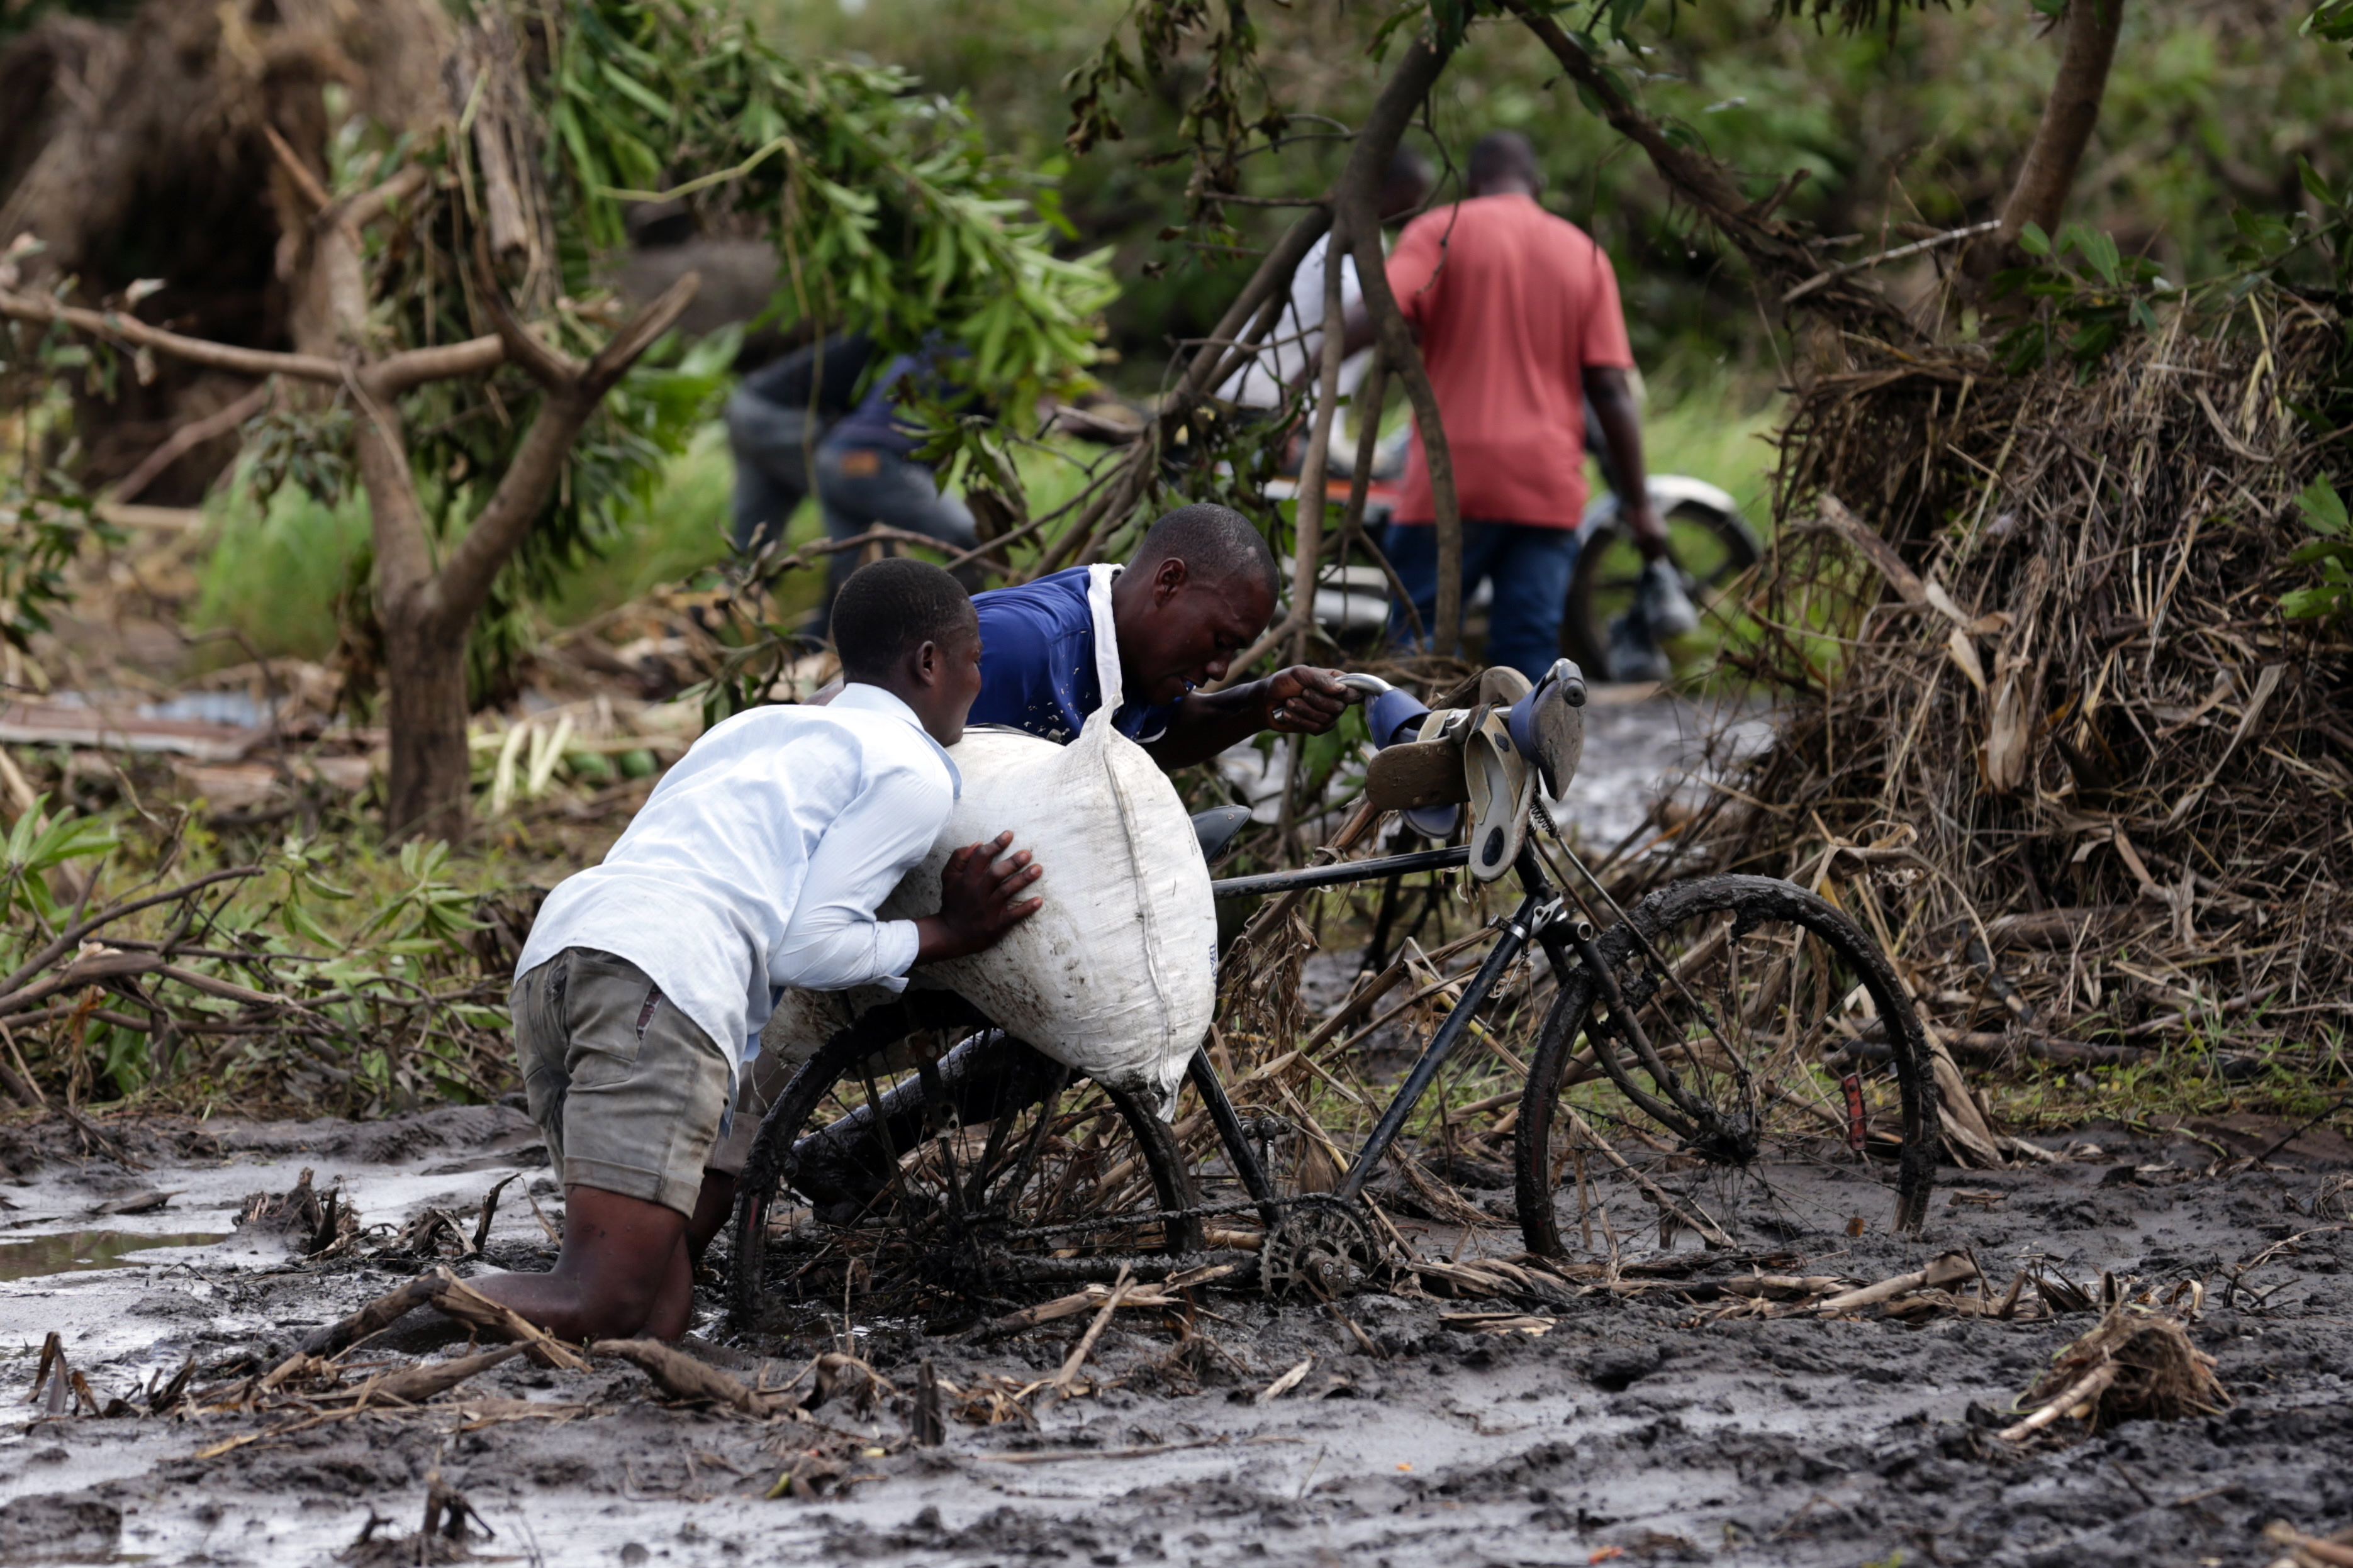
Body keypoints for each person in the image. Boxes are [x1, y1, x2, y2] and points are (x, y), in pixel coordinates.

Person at [478, 559, 1044, 1342]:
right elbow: (805, 948)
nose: (980, 681)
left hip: (567, 949)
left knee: (656, 1316)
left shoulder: (754, 727)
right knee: (599, 1299)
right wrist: (948, 932)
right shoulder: (914, 767)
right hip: (660, 978)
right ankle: (379, 1326)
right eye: (975, 659)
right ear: (928, 663)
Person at [1341, 130, 1694, 682]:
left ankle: (1412, 763)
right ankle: (1533, 769)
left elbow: (1379, 312)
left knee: (1419, 649)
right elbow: (1609, 389)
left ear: (1474, 182)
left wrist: (1303, 364)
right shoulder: (1583, 253)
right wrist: (1639, 502)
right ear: (1538, 185)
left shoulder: (1439, 231)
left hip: (1448, 480)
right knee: (1528, 659)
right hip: (1544, 486)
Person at [964, 502, 1350, 769]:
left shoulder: (1133, 650)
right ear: (1168, 582)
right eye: (1220, 642)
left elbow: (1154, 742)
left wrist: (1259, 704)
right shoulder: (1017, 645)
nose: (1220, 670)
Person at [1214, 148, 1434, 420]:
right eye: (1415, 193)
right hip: (1259, 401)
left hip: (1290, 407)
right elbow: (1374, 316)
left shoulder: (1374, 245)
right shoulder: (1329, 244)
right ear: (1388, 188)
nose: (1420, 206)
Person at [810, 347, 982, 633]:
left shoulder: (928, 343)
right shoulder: (975, 355)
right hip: (872, 461)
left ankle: (809, 650)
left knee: (852, 580)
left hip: (834, 455)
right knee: (969, 539)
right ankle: (955, 635)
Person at [724, 330, 876, 556]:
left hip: (745, 404)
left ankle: (741, 585)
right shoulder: (885, 344)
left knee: (757, 523)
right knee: (854, 498)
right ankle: (858, 586)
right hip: (783, 418)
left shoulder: (870, 335)